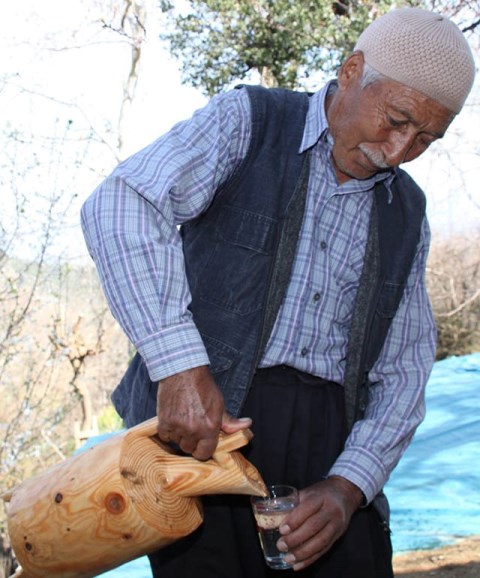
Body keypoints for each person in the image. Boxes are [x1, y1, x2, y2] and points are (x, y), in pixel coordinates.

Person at [81, 7, 475, 578]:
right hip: (205, 432)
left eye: (425, 140)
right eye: (396, 119)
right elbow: (121, 204)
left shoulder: (407, 211)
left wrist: (348, 486)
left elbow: (405, 370)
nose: (398, 150)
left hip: (329, 443)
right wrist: (178, 366)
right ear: (351, 70)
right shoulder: (252, 122)